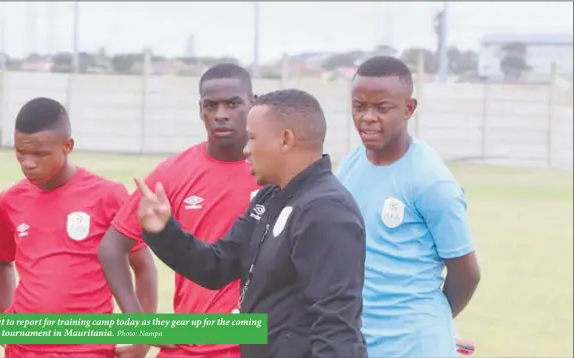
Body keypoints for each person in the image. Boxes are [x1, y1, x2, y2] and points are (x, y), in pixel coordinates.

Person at [133, 88, 368, 358]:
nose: (246, 149)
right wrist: (163, 231)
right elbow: (217, 265)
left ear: (285, 140)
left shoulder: (327, 211)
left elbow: (336, 327)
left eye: (253, 138)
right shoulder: (270, 197)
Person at [98, 63, 262, 358]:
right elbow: (112, 246)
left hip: (256, 344)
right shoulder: (174, 173)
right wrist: (139, 326)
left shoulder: (274, 172)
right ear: (201, 110)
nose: (221, 114)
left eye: (233, 103)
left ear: (254, 103)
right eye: (211, 105)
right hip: (188, 345)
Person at [336, 56, 481, 358]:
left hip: (414, 346)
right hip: (358, 341)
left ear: (409, 109)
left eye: (382, 107)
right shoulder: (350, 165)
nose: (368, 117)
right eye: (359, 106)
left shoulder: (431, 180)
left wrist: (431, 326)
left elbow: (466, 273)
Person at [0, 97, 150, 358]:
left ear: (68, 146)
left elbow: (143, 267)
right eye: (21, 152)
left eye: (40, 154)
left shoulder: (107, 195)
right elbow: (1, 263)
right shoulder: (11, 200)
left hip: (88, 350)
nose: (28, 163)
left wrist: (142, 339)